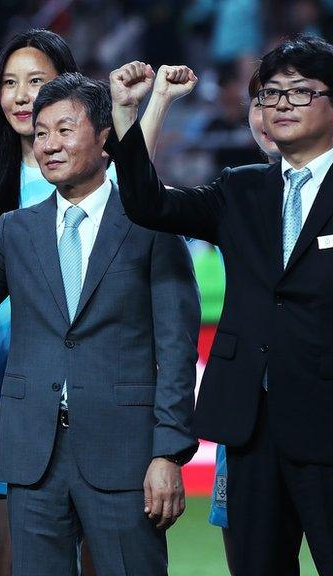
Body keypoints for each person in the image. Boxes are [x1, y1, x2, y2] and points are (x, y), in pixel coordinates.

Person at [0, 28, 191, 576]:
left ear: (105, 137)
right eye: (42, 133)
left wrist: (169, 452)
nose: (51, 143)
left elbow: (178, 349)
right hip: (29, 452)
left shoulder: (155, 221)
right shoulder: (16, 228)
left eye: (66, 128)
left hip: (123, 453)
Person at [108, 35, 333, 576]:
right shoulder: (241, 188)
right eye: (270, 93)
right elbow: (146, 203)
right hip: (249, 425)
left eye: (300, 92)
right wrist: (127, 111)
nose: (280, 104)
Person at [206, 66, 282, 576]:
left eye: (287, 96)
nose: (268, 114)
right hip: (249, 414)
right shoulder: (238, 192)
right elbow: (149, 204)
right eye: (258, 101)